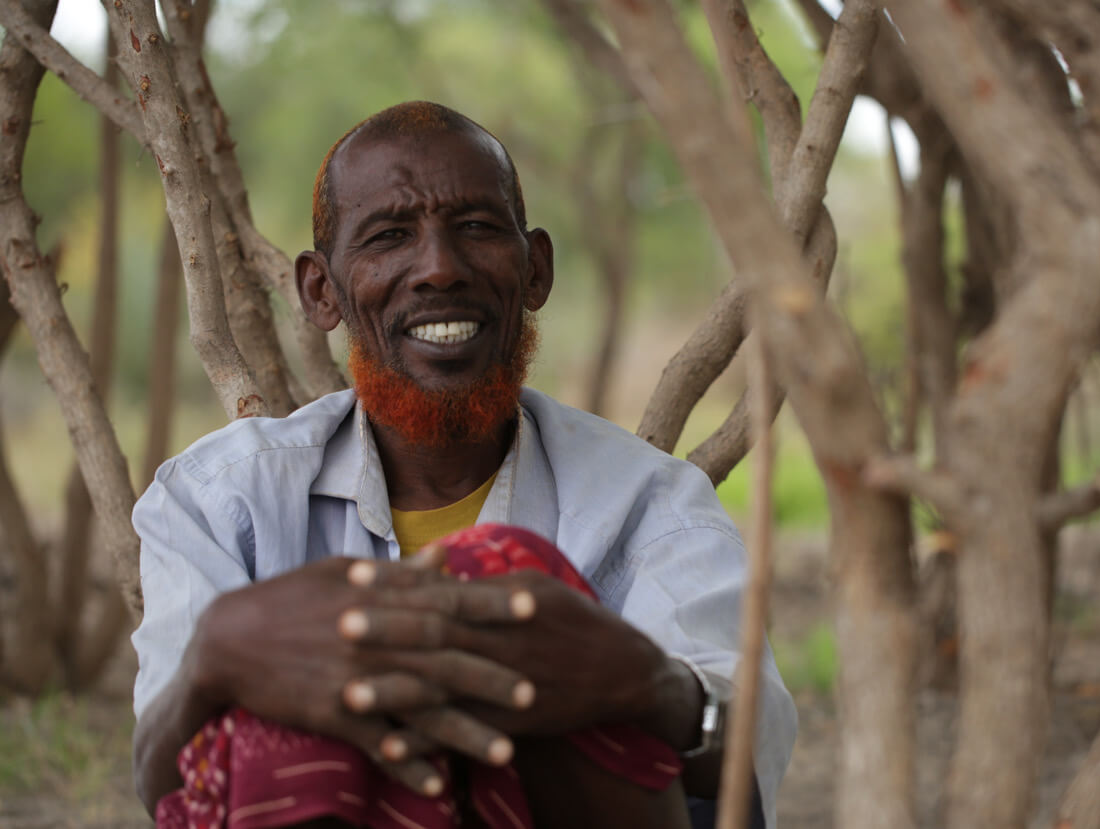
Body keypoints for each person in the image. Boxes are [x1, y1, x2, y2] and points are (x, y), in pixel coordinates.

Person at [129, 101, 795, 828]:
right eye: (389, 237)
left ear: (535, 270)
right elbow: (162, 777)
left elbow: (747, 738)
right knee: (268, 704)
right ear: (323, 292)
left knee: (532, 605)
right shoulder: (219, 500)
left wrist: (645, 684)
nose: (439, 269)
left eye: (477, 228)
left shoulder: (649, 500)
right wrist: (217, 657)